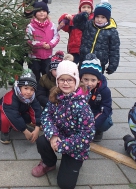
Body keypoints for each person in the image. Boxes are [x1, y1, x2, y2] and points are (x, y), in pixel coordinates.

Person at [31, 59, 95, 189]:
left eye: (69, 80)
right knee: (42, 141)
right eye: (62, 79)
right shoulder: (55, 96)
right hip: (58, 136)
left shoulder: (82, 105)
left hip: (75, 146)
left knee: (65, 184)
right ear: (57, 81)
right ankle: (49, 163)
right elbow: (46, 115)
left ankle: (73, 162)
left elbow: (87, 135)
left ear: (76, 81)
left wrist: (64, 145)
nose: (65, 83)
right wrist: (53, 135)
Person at [0, 69, 42, 144]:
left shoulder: (31, 97)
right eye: (26, 88)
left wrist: (37, 127)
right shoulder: (10, 97)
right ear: (19, 87)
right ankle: (5, 132)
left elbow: (37, 110)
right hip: (5, 113)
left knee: (32, 113)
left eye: (32, 89)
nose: (28, 92)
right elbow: (13, 115)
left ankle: (20, 125)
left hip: (20, 112)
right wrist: (25, 131)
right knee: (4, 119)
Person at [73, 0, 120, 74]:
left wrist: (113, 65)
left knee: (96, 81)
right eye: (97, 17)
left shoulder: (112, 31)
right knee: (82, 79)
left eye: (103, 17)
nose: (99, 19)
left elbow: (114, 50)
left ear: (108, 18)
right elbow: (76, 23)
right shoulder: (88, 24)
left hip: (99, 62)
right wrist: (81, 16)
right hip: (84, 59)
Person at [80, 53, 113, 142]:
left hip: (97, 113)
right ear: (81, 78)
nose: (89, 83)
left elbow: (106, 109)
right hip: (83, 113)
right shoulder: (77, 88)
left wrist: (93, 125)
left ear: (98, 80)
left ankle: (98, 131)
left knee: (105, 122)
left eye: (93, 80)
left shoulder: (104, 91)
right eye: (86, 79)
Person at [26, 0, 60, 83]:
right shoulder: (30, 26)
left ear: (47, 13)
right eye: (39, 11)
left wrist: (50, 44)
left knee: (47, 74)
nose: (42, 13)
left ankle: (45, 89)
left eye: (44, 11)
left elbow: (56, 36)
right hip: (34, 56)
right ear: (35, 13)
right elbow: (28, 39)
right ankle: (35, 89)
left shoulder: (52, 25)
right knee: (35, 73)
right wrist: (40, 44)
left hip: (47, 56)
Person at [58, 0, 94, 64]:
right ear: (80, 8)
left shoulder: (93, 20)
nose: (86, 9)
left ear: (92, 9)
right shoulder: (74, 18)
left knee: (83, 68)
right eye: (83, 7)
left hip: (87, 49)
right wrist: (65, 17)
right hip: (74, 49)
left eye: (89, 7)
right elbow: (64, 27)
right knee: (71, 67)